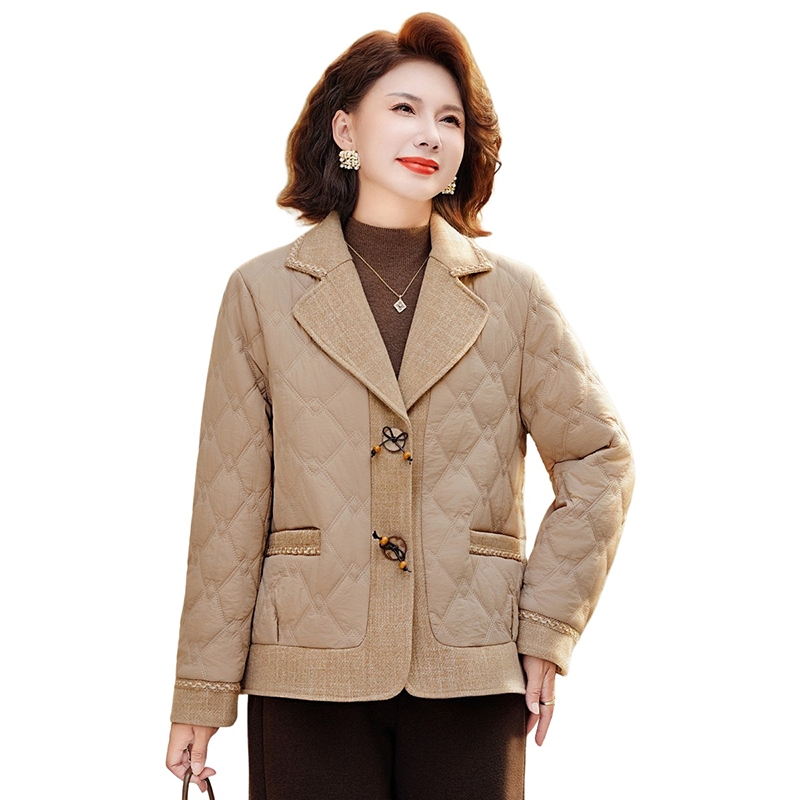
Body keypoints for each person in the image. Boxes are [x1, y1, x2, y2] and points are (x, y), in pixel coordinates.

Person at [165, 11, 635, 799]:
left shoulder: (513, 296)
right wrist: (200, 694)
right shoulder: (261, 293)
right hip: (307, 664)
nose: (430, 134)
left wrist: (546, 629)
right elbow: (228, 502)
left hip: (473, 663)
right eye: (405, 108)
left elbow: (599, 458)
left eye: (450, 119)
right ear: (346, 129)